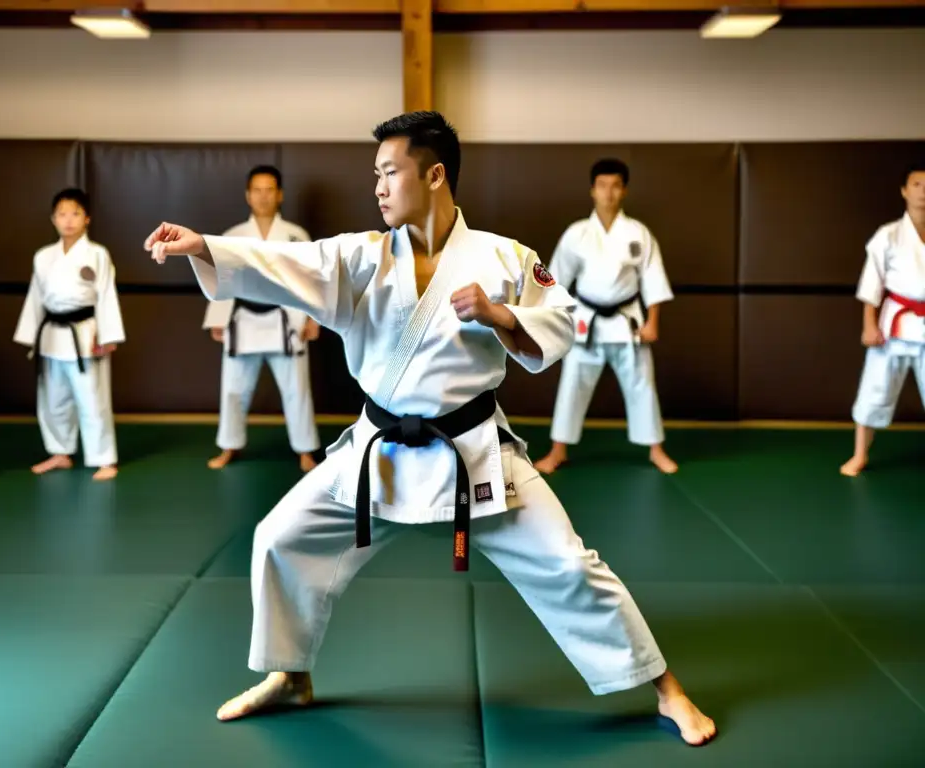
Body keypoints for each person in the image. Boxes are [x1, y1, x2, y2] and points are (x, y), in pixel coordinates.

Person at [144, 111, 715, 747]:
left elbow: (562, 321)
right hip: (377, 449)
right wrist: (204, 247)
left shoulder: (507, 256)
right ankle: (289, 675)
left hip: (473, 454)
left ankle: (666, 689)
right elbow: (287, 263)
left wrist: (500, 314)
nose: (379, 187)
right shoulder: (359, 255)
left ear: (435, 174)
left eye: (391, 172)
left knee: (570, 565)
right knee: (279, 537)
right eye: (376, 175)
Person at [535, 158, 678, 475]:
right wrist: (554, 318)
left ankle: (656, 450)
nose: (608, 193)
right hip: (586, 321)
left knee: (642, 385)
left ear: (624, 190)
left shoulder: (638, 233)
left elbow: (652, 278)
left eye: (615, 186)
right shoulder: (577, 234)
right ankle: (558, 451)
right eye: (602, 186)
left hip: (628, 322)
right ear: (592, 190)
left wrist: (653, 321)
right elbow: (555, 280)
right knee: (572, 384)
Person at [203, 165, 321, 473]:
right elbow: (222, 279)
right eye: (257, 190)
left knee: (297, 388)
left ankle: (306, 450)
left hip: (288, 319)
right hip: (244, 320)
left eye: (270, 190)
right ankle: (229, 445)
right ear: (248, 195)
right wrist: (218, 318)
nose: (263, 196)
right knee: (233, 388)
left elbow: (309, 281)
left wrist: (314, 319)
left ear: (280, 195)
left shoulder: (297, 236)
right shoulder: (232, 236)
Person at [13, 188, 124, 481]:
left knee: (92, 398)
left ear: (87, 218)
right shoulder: (43, 257)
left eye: (75, 213)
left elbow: (106, 296)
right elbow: (36, 298)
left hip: (85, 333)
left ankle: (104, 458)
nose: (68, 220)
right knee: (53, 398)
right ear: (53, 219)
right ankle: (60, 452)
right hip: (51, 335)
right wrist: (30, 338)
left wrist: (108, 335)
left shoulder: (97, 254)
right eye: (62, 214)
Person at [841, 162, 925, 477]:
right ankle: (860, 455)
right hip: (894, 327)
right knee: (874, 390)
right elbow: (871, 284)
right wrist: (869, 324)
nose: (923, 192)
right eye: (917, 184)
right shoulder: (887, 235)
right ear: (904, 191)